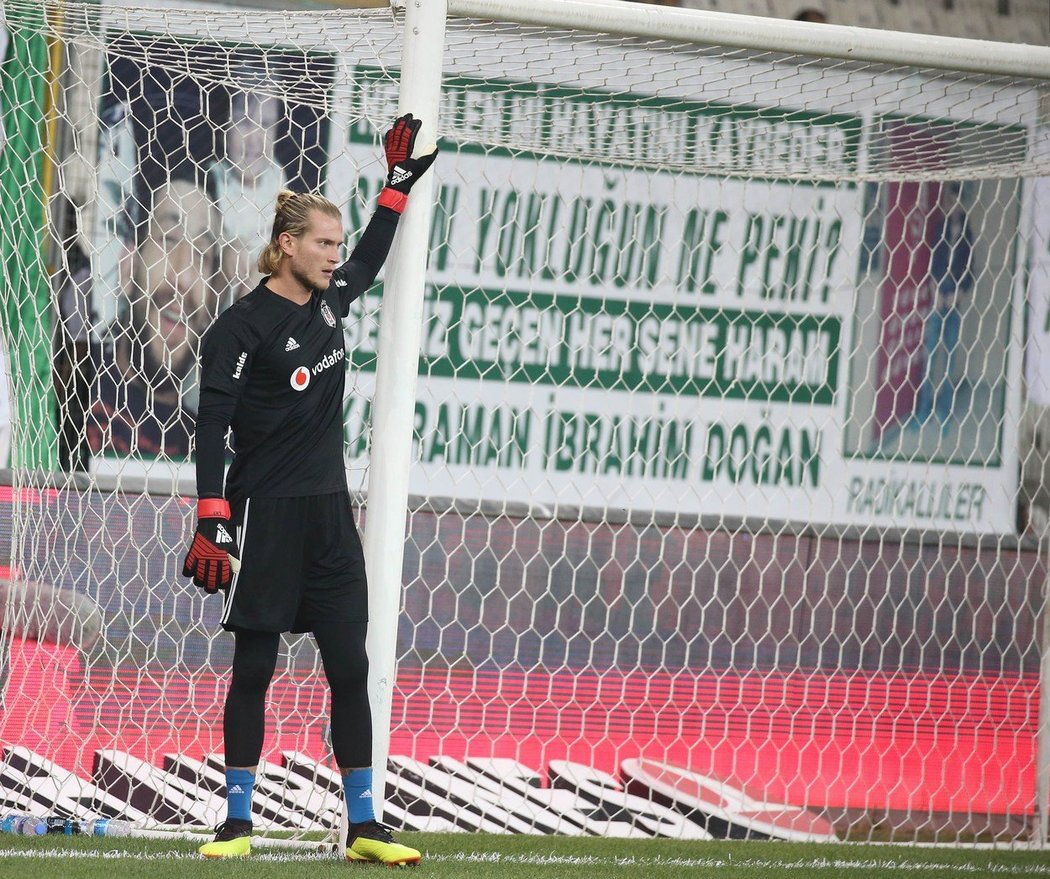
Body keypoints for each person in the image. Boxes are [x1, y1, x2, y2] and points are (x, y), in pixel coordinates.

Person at [181, 114, 437, 864]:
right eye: (322, 243)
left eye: (335, 243)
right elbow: (210, 431)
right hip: (262, 516)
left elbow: (370, 258)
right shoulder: (238, 329)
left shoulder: (331, 302)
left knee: (349, 665)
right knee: (254, 668)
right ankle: (236, 822)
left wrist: (394, 190)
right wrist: (211, 516)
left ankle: (363, 826)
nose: (334, 256)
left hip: (330, 518)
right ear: (286, 245)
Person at [85, 168, 222, 459]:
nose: (183, 277)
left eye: (202, 254)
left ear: (214, 300)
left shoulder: (209, 453)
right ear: (128, 267)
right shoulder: (67, 387)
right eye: (169, 240)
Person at [210, 74, 288, 306]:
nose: (254, 140)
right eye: (244, 123)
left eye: (265, 125)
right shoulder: (209, 182)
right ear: (224, 124)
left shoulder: (279, 180)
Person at [914, 181, 975, 429]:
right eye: (949, 201)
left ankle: (945, 412)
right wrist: (935, 289)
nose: (951, 205)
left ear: (962, 203)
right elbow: (931, 260)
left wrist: (958, 293)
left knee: (950, 356)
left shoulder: (967, 233)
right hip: (938, 292)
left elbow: (971, 269)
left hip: (954, 295)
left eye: (955, 201)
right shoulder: (940, 227)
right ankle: (923, 410)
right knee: (930, 354)